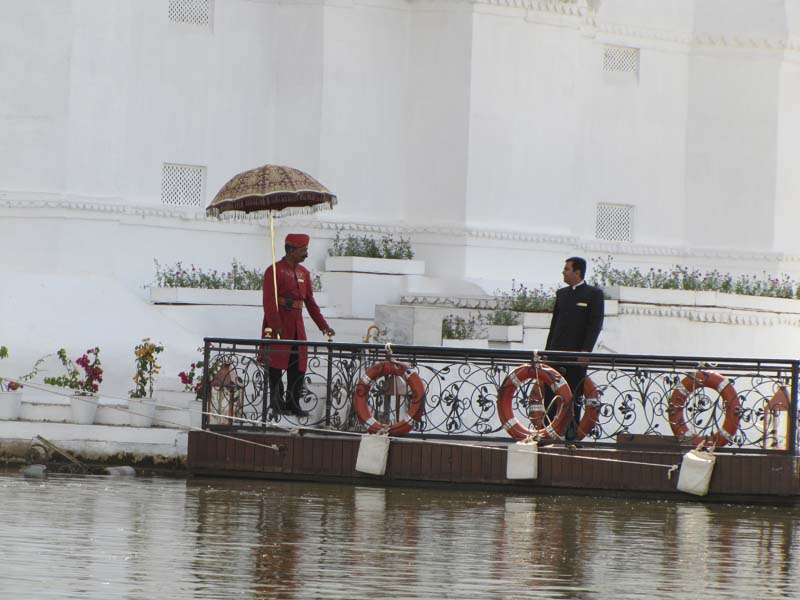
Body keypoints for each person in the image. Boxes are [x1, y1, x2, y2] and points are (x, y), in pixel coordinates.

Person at [262, 233, 335, 416]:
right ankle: (276, 403)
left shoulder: (304, 273)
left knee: (298, 365)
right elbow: (269, 302)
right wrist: (276, 324)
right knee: (276, 365)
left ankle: (293, 403)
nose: (306, 254)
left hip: (297, 324)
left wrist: (323, 325)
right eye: (303, 250)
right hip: (279, 323)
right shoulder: (274, 271)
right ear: (292, 250)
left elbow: (310, 303)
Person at [544, 256, 604, 446]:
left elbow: (595, 324)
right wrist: (547, 351)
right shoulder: (561, 294)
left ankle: (572, 433)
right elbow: (554, 326)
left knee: (575, 393)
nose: (564, 272)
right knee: (550, 392)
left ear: (577, 272)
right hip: (556, 353)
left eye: (567, 269)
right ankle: (548, 430)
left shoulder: (593, 294)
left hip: (576, 355)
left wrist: (586, 351)